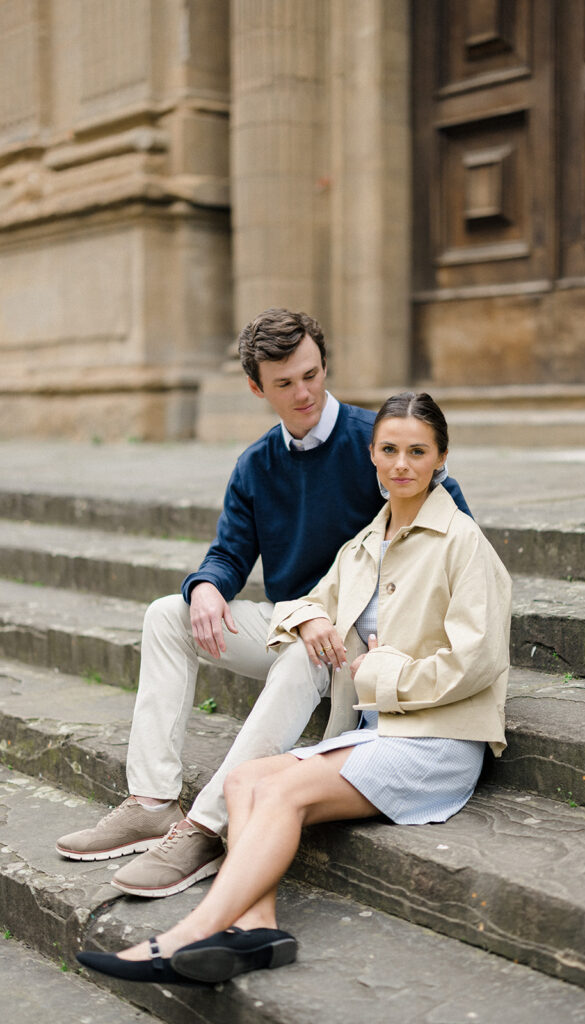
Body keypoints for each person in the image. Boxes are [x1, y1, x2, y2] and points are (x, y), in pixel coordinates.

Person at [76, 391, 511, 986]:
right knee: (246, 779)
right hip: (374, 732)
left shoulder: (463, 542)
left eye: (417, 451)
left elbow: (478, 660)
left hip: (435, 738)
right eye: (389, 450)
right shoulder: (362, 548)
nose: (401, 464)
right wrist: (308, 617)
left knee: (278, 794)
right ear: (372, 456)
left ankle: (186, 936)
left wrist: (381, 675)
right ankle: (258, 929)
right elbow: (309, 599)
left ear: (441, 459)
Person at [56, 311, 472, 899]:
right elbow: (229, 553)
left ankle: (206, 826)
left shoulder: (375, 443)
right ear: (257, 388)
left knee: (304, 654)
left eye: (311, 374)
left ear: (324, 364)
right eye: (284, 383)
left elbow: (451, 525)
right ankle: (151, 801)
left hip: (360, 635)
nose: (302, 392)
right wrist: (205, 586)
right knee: (165, 616)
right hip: (293, 617)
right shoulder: (257, 465)